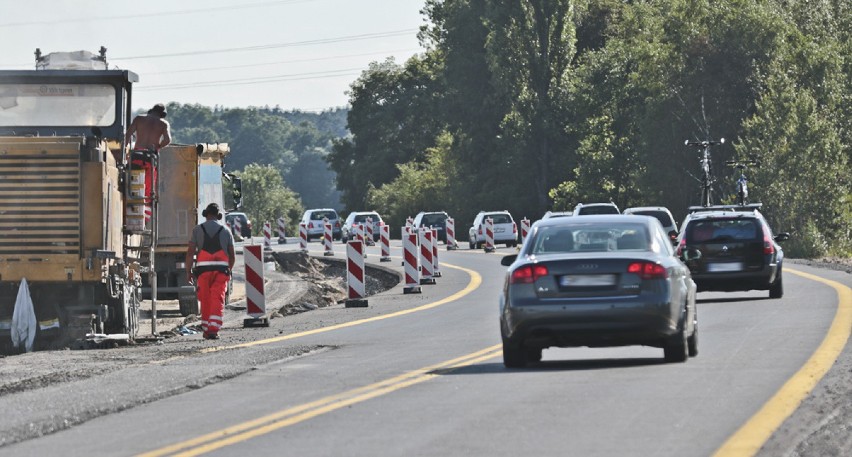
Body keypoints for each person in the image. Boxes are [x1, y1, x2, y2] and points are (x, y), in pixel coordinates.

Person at [185, 203, 236, 340]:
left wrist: (188, 271)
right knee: (217, 298)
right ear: (218, 216)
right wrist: (228, 270)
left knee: (205, 298)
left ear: (205, 214)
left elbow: (190, 253)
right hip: (221, 271)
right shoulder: (226, 231)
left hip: (203, 271)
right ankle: (213, 329)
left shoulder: (197, 230)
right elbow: (232, 256)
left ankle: (207, 329)